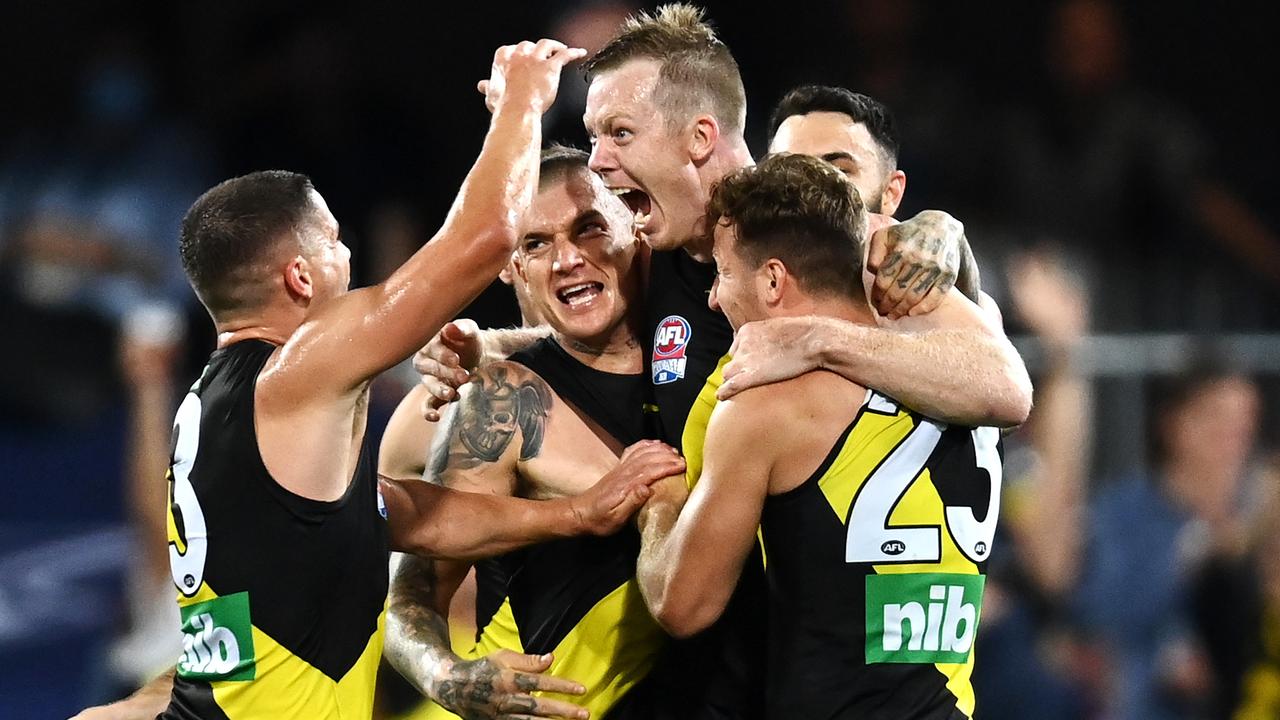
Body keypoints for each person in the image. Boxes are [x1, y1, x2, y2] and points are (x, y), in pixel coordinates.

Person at [414, 6, 1031, 718]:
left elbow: (1005, 385)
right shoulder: (658, 256)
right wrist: (487, 347)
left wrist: (904, 266)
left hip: (821, 676)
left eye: (618, 134)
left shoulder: (834, 239)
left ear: (700, 138)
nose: (598, 162)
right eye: (592, 139)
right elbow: (594, 342)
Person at [70, 40, 682, 720]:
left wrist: (573, 513)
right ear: (298, 276)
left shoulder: (222, 416)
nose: (350, 256)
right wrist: (521, 102)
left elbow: (404, 515)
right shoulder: (294, 371)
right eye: (333, 241)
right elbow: (480, 242)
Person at [636, 152, 1004, 719]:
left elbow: (681, 605)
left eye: (724, 273)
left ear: (774, 279)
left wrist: (659, 505)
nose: (714, 296)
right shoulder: (966, 362)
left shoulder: (767, 408)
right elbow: (1012, 386)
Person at [381, 146, 677, 720]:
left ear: (635, 230)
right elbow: (411, 595)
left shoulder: (705, 354)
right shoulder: (505, 401)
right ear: (513, 268)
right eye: (536, 244)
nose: (566, 259)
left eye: (589, 228)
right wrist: (447, 677)